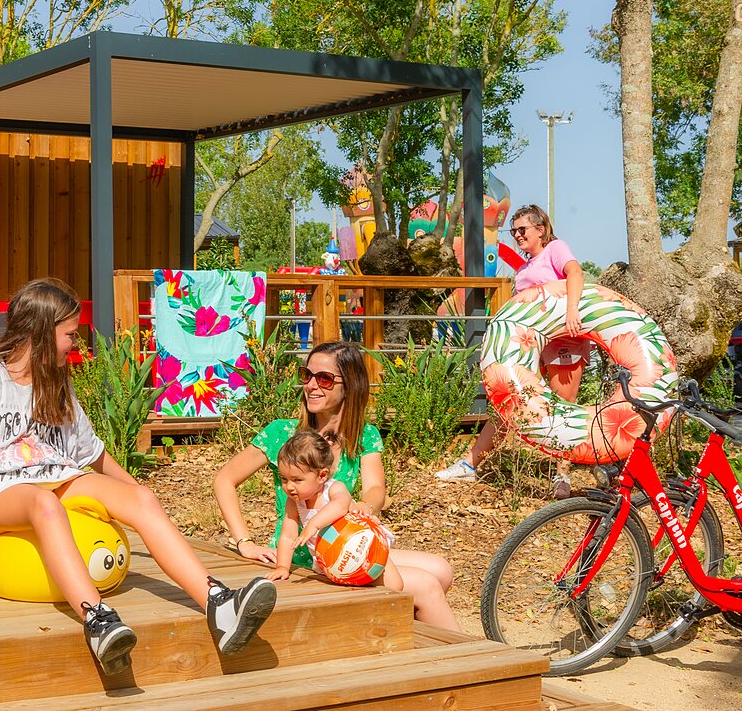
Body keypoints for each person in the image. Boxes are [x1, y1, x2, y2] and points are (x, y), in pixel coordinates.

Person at [0, 278, 277, 675]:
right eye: (70, 334)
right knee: (45, 505)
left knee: (142, 499)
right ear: (40, 332)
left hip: (58, 476)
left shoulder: (57, 379)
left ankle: (219, 604)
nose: (76, 343)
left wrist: (137, 492)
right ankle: (98, 621)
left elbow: (91, 452)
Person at [213, 341, 459, 630]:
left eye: (325, 379)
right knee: (427, 586)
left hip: (346, 542)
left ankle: (391, 636)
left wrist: (365, 506)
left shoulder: (364, 435)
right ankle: (464, 654)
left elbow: (375, 488)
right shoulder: (282, 433)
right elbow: (224, 480)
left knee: (442, 570)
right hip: (304, 556)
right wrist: (245, 543)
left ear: (350, 385)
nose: (311, 385)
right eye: (307, 375)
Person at [435, 204, 586, 499]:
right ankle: (469, 464)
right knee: (508, 404)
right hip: (531, 344)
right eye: (513, 230)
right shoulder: (525, 267)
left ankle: (562, 475)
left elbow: (576, 273)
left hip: (563, 339)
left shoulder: (555, 249)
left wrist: (571, 310)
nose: (516, 235)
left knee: (563, 406)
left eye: (522, 229)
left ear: (540, 229)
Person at [266, 431, 403, 593]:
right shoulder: (294, 502)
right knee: (350, 591)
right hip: (334, 560)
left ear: (322, 475)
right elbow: (288, 536)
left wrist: (314, 524)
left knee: (394, 585)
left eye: (297, 480)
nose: (289, 486)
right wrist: (282, 567)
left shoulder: (333, 489)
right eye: (284, 479)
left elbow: (341, 505)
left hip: (364, 545)